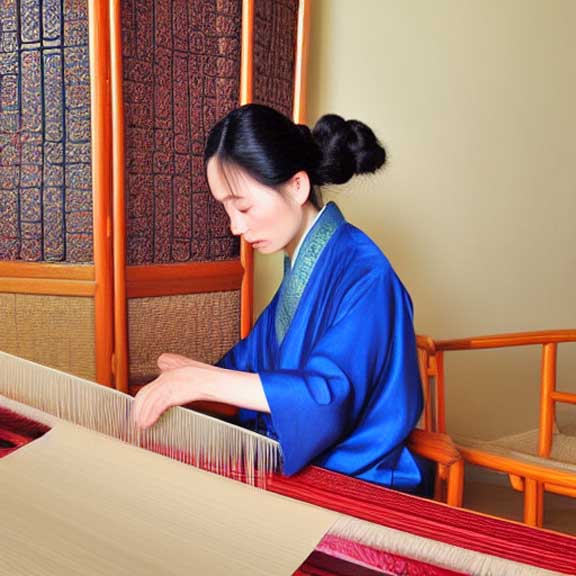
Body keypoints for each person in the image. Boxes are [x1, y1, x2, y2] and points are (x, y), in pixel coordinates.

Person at [132, 104, 429, 494]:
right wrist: (196, 376)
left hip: (361, 483)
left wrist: (204, 382)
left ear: (297, 186)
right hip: (307, 469)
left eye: (243, 206)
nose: (236, 226)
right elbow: (252, 360)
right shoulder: (305, 267)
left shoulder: (367, 275)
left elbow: (328, 395)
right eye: (226, 209)